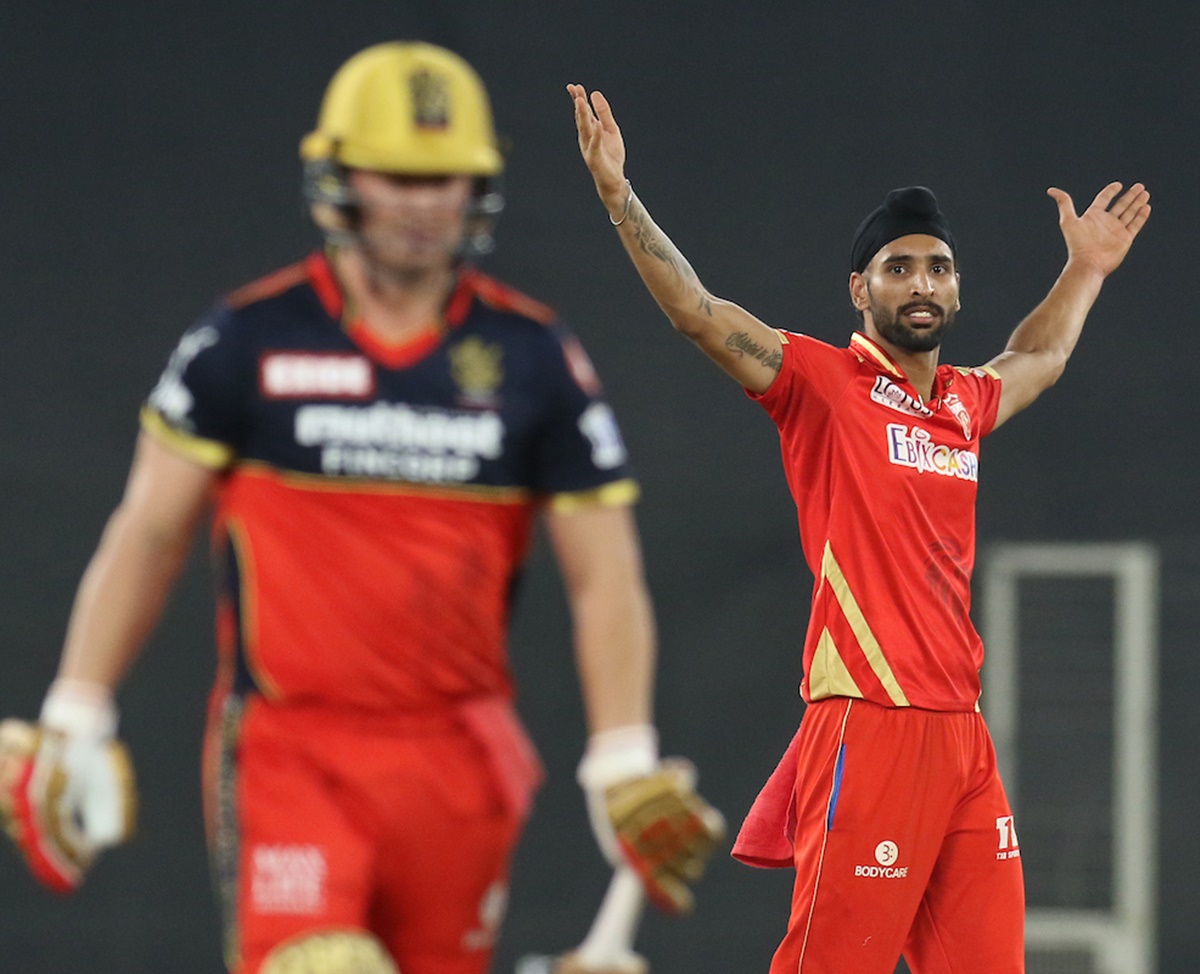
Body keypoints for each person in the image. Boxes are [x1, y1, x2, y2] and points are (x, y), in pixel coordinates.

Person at [0, 43, 727, 974]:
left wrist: (623, 754)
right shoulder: (246, 340)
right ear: (340, 175)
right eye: (400, 176)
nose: (425, 204)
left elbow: (605, 574)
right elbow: (147, 531)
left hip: (460, 763)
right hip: (294, 751)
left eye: (447, 179)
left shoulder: (534, 356)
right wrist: (77, 707)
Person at [567, 83, 1150, 974]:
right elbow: (698, 312)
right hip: (869, 725)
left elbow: (1040, 356)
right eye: (899, 267)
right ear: (860, 287)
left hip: (962, 737)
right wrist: (620, 198)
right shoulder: (824, 384)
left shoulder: (962, 402)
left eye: (939, 268)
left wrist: (1087, 269)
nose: (923, 284)